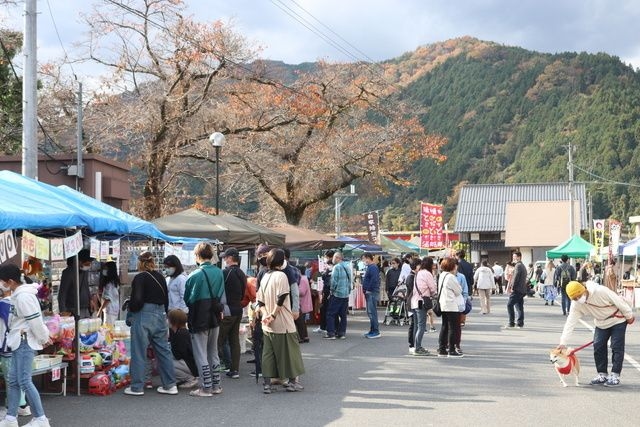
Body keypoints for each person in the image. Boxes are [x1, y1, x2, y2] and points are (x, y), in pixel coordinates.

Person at [0, 263, 51, 427]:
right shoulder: (20, 294)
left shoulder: (23, 297)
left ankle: (40, 418)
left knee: (23, 380)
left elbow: (35, 321)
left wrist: (44, 338)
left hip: (24, 340)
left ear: (10, 281)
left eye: (2, 281)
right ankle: (10, 418)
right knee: (15, 380)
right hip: (19, 340)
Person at [557, 281, 634, 387]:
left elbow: (618, 301)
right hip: (601, 322)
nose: (577, 299)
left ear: (583, 290)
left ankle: (615, 375)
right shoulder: (576, 305)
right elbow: (570, 322)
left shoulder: (600, 291)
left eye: (578, 296)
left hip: (618, 319)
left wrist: (629, 315)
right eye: (574, 298)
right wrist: (563, 342)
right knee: (598, 346)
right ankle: (602, 374)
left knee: (616, 346)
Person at [124, 252, 178, 397]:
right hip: (160, 314)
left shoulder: (140, 277)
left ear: (139, 263)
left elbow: (137, 300)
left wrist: (131, 307)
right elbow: (166, 299)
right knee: (163, 351)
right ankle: (170, 385)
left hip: (143, 315)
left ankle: (137, 387)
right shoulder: (160, 277)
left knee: (139, 351)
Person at [256, 248, 305, 394]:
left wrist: (266, 316)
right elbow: (282, 297)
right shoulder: (282, 276)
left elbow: (260, 301)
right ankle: (291, 382)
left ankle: (267, 384)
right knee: (290, 352)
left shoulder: (264, 276)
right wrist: (273, 315)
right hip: (283, 321)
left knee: (268, 354)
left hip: (267, 324)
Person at [183, 242, 225, 397]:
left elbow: (187, 299)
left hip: (199, 317)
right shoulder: (219, 272)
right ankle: (216, 385)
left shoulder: (194, 275)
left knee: (200, 353)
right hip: (215, 316)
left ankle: (205, 387)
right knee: (213, 352)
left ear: (197, 255)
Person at [0, 272, 32, 421]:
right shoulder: (17, 300)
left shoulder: (8, 303)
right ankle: (19, 409)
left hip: (8, 345)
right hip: (16, 343)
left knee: (16, 380)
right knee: (18, 378)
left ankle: (21, 411)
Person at [218, 247, 246, 380]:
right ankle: (234, 369)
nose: (224, 259)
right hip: (238, 309)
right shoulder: (241, 273)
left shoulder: (226, 272)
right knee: (234, 341)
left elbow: (218, 290)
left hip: (227, 310)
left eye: (225, 257)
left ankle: (213, 368)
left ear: (230, 258)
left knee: (218, 339)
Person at [436, 257, 463, 358]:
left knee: (445, 327)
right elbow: (458, 290)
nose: (456, 267)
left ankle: (442, 349)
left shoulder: (442, 275)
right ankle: (451, 350)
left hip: (443, 304)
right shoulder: (451, 277)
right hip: (451, 305)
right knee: (453, 328)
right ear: (452, 266)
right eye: (455, 265)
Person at [57, 248, 94, 319]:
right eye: (87, 263)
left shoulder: (84, 271)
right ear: (79, 261)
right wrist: (63, 311)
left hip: (85, 308)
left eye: (90, 264)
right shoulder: (68, 272)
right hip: (73, 309)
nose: (88, 266)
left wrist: (90, 300)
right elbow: (62, 293)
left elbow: (86, 286)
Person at [167, 309, 199, 389]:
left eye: (168, 318)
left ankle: (190, 379)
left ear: (173, 321)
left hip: (190, 364)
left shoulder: (181, 334)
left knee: (165, 364)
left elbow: (179, 354)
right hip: (189, 364)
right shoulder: (180, 331)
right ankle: (181, 378)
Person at [411, 257, 437, 356]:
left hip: (415, 301)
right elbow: (433, 288)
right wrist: (434, 293)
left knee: (417, 326)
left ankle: (416, 346)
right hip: (421, 302)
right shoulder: (427, 273)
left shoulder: (418, 273)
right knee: (421, 326)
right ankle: (418, 348)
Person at [324, 252, 352, 340]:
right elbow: (350, 281)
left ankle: (331, 333)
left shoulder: (336, 267)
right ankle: (341, 333)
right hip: (345, 294)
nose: (332, 259)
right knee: (343, 315)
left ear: (337, 258)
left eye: (334, 258)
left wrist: (331, 292)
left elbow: (333, 282)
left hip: (337, 294)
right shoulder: (347, 267)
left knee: (330, 314)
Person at [504, 251, 527, 329]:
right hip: (522, 289)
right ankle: (520, 323)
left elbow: (516, 277)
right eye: (513, 257)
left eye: (515, 257)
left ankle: (511, 323)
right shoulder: (522, 265)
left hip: (517, 289)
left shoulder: (518, 266)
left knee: (509, 305)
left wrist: (512, 288)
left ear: (519, 257)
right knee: (519, 307)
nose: (513, 258)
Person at [314, 250, 335, 334]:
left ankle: (328, 328)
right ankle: (324, 326)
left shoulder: (333, 268)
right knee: (323, 309)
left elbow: (328, 281)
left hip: (329, 291)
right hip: (326, 291)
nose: (325, 259)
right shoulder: (327, 268)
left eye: (326, 257)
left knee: (327, 310)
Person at [361, 253, 381, 339]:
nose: (363, 261)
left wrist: (368, 289)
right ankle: (372, 330)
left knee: (372, 312)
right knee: (370, 312)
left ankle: (375, 331)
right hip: (370, 292)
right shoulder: (371, 267)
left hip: (371, 292)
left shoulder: (372, 267)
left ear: (368, 258)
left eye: (363, 259)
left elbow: (374, 279)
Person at [97, 260, 120, 326]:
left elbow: (107, 300)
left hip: (110, 310)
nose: (104, 270)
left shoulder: (109, 285)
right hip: (114, 310)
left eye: (106, 269)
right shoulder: (114, 283)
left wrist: (99, 311)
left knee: (107, 330)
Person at [406, 259, 420, 354]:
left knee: (414, 323)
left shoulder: (414, 276)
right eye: (419, 265)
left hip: (411, 302)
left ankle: (412, 343)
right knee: (413, 324)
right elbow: (413, 291)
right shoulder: (411, 277)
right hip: (411, 302)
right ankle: (411, 343)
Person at [296, 266, 312, 343]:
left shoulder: (302, 279)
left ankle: (302, 337)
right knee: (302, 322)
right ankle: (304, 336)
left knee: (300, 321)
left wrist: (294, 290)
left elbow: (301, 292)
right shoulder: (304, 278)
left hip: (302, 303)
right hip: (304, 303)